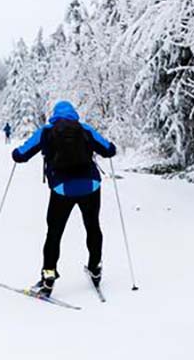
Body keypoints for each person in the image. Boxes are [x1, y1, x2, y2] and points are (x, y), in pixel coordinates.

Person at [11, 101, 116, 296]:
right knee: (92, 226)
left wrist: (15, 154)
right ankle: (95, 268)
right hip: (90, 186)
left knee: (54, 233)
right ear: (74, 114)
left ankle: (48, 277)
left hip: (61, 189)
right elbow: (109, 150)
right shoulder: (85, 129)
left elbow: (22, 155)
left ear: (54, 115)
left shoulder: (46, 131)